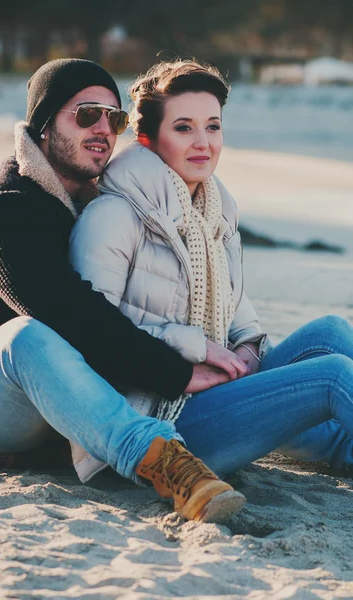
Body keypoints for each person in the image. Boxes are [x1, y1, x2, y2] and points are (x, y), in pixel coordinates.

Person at [0, 58, 252, 525]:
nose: (102, 129)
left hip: (68, 399)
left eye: (113, 119)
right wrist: (173, 371)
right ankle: (164, 463)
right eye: (85, 114)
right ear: (44, 125)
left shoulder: (99, 200)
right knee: (27, 335)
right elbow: (68, 313)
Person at [69, 59, 353, 485]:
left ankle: (342, 447)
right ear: (148, 138)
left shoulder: (215, 212)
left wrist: (247, 353)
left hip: (215, 391)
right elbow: (90, 339)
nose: (203, 143)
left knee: (331, 332)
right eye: (184, 128)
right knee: (334, 376)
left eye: (213, 127)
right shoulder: (114, 214)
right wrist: (198, 348)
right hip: (155, 422)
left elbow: (242, 319)